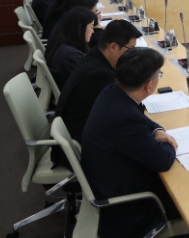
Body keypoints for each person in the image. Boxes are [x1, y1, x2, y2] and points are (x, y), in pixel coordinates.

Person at [82, 48, 183, 238]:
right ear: (149, 86)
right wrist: (170, 143)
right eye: (159, 75)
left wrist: (158, 131)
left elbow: (141, 118)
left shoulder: (112, 92)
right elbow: (163, 160)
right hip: (129, 206)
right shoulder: (125, 119)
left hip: (110, 180)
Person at [52, 20, 142, 168]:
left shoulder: (94, 57)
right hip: (80, 146)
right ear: (113, 47)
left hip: (77, 131)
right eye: (130, 50)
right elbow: (125, 113)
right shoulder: (99, 75)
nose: (132, 56)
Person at [46, 7, 96, 90]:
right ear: (80, 28)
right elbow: (88, 82)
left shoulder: (66, 43)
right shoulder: (69, 55)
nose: (93, 31)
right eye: (91, 27)